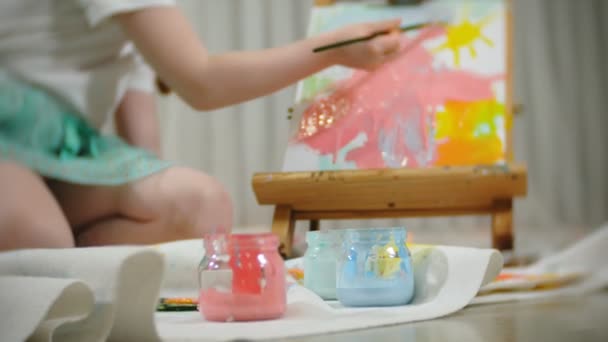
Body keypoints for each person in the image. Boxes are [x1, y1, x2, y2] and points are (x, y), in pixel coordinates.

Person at [0, 0, 403, 251]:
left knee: (200, 207)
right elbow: (201, 82)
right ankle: (54, 260)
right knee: (38, 238)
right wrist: (330, 51)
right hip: (9, 135)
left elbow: (140, 126)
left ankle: (61, 268)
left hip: (62, 150)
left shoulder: (141, 15)